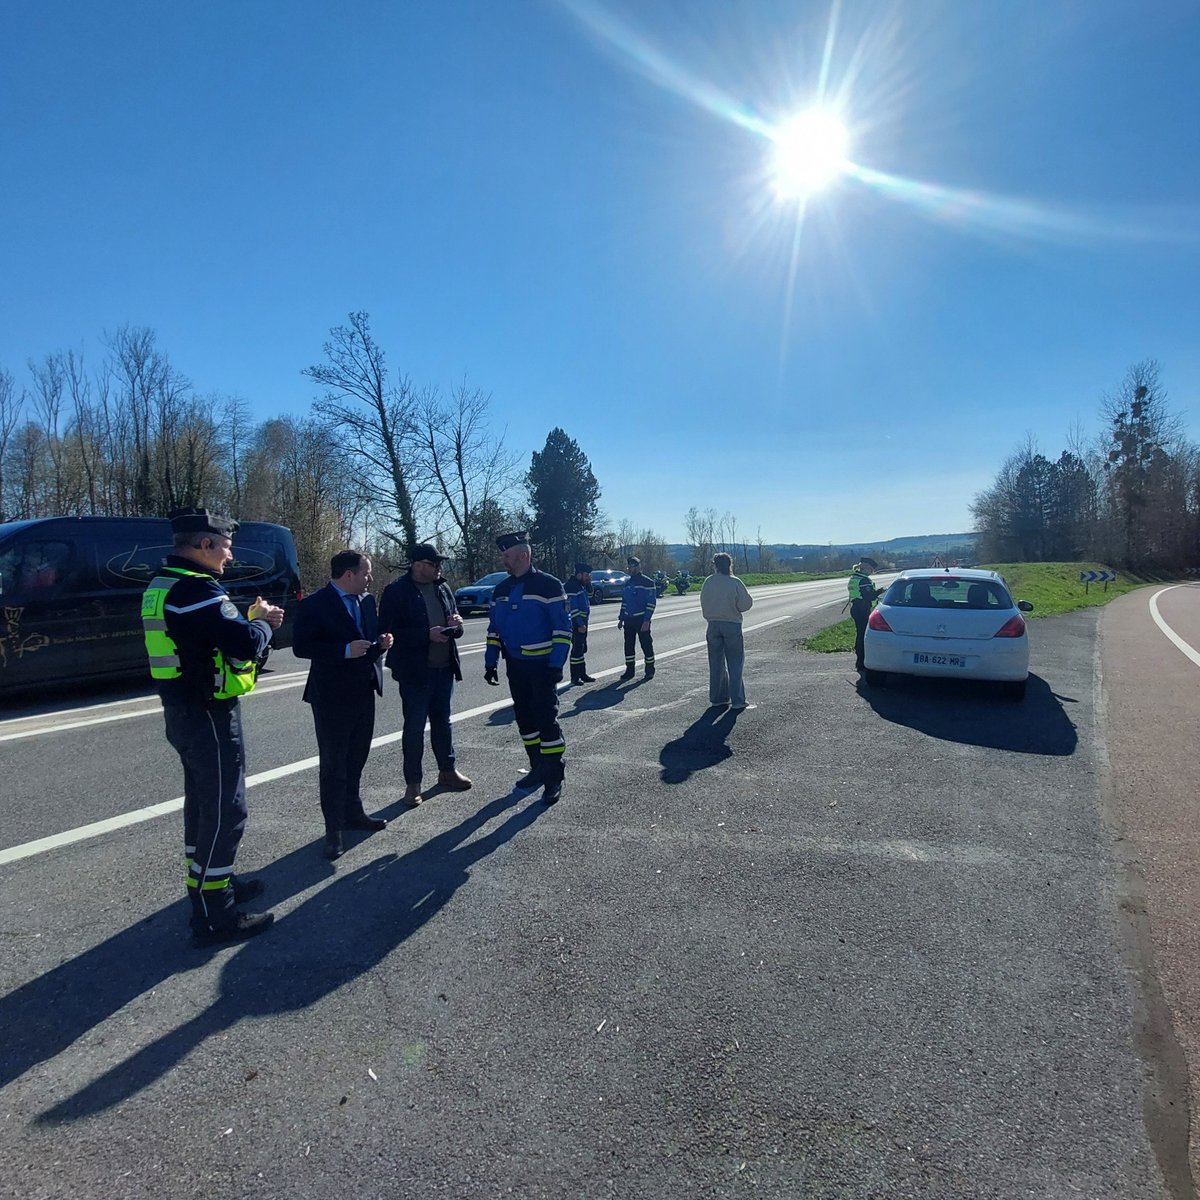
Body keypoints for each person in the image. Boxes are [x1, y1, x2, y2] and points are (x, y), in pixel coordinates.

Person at [142, 507, 284, 947]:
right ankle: (215, 915)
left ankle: (211, 885)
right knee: (226, 809)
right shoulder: (196, 589)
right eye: (225, 545)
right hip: (207, 713)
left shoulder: (162, 584)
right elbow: (241, 643)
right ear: (204, 544)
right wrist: (262, 623)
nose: (229, 553)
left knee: (203, 807)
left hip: (182, 710)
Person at [293, 551, 394, 861]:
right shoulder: (314, 604)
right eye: (366, 572)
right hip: (331, 696)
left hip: (364, 690)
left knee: (357, 758)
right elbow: (301, 647)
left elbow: (369, 639)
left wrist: (382, 644)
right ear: (348, 574)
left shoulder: (366, 601)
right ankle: (333, 830)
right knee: (334, 765)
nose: (370, 578)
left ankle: (354, 814)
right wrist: (343, 650)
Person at [378, 543, 471, 808]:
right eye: (433, 564)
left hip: (444, 669)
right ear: (417, 565)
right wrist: (425, 635)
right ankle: (413, 784)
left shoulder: (442, 587)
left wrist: (457, 625)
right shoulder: (396, 591)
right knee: (414, 727)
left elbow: (456, 622)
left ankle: (447, 771)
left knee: (443, 722)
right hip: (414, 671)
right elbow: (387, 631)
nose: (438, 568)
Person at [483, 532, 572, 804]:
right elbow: (494, 630)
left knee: (546, 721)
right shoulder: (501, 590)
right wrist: (490, 661)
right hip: (517, 668)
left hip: (542, 668)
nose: (504, 561)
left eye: (507, 556)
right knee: (525, 721)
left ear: (523, 555)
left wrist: (556, 665)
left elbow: (562, 628)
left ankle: (553, 775)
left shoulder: (549, 585)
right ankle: (537, 767)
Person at [700, 552, 754, 708]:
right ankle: (737, 699)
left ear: (714, 565)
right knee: (735, 663)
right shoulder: (735, 582)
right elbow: (745, 604)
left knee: (716, 663)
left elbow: (704, 601)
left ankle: (718, 698)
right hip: (731, 623)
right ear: (729, 565)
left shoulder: (708, 582)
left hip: (712, 624)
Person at [619, 555, 657, 680]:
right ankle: (630, 671)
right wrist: (621, 618)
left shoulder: (647, 582)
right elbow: (624, 602)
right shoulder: (627, 583)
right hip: (629, 620)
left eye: (633, 567)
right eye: (629, 567)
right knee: (628, 646)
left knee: (646, 645)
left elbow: (651, 603)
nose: (630, 569)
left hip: (641, 620)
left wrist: (646, 620)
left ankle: (650, 670)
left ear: (638, 567)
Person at [563, 562, 596, 684]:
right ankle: (575, 677)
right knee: (577, 649)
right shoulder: (571, 586)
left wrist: (589, 582)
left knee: (582, 648)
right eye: (586, 575)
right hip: (575, 624)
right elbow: (573, 608)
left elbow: (590, 595)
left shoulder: (580, 585)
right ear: (579, 574)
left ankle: (582, 674)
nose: (588, 577)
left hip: (582, 622)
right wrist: (579, 624)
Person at [848, 557, 881, 672]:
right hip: (862, 609)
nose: (872, 572)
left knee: (860, 634)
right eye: (871, 569)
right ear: (866, 568)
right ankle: (861, 662)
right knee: (863, 636)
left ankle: (859, 661)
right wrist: (880, 591)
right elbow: (869, 596)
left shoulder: (855, 577)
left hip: (855, 608)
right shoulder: (864, 580)